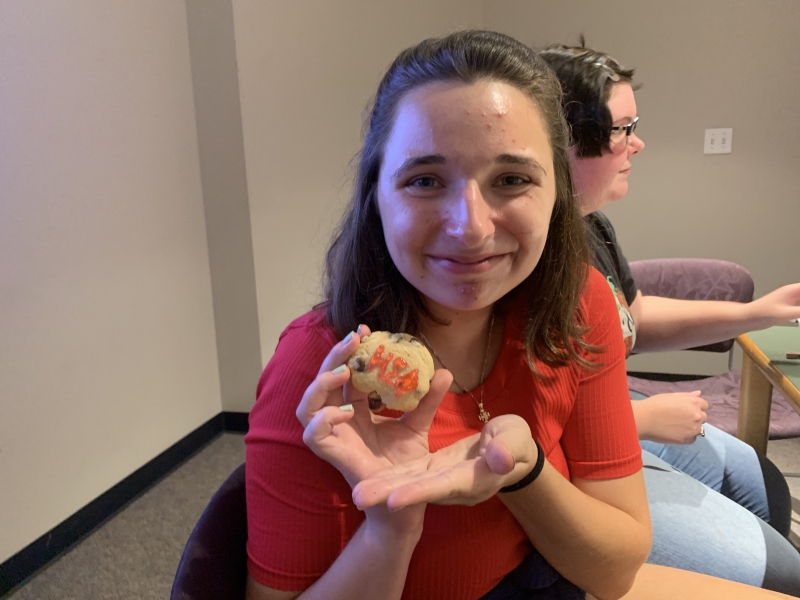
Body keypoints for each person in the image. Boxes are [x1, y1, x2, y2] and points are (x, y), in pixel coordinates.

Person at [244, 30, 796, 600]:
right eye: (425, 181)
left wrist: (524, 471)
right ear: (376, 194)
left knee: (766, 502)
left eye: (511, 180)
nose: (472, 227)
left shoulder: (577, 304)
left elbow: (611, 573)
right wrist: (391, 525)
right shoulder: (319, 366)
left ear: (558, 191)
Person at [541, 42, 800, 595]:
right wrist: (642, 421)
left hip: (615, 410)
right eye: (621, 128)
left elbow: (633, 319)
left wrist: (756, 313)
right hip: (573, 453)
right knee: (785, 574)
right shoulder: (529, 258)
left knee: (766, 485)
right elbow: (512, 422)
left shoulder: (590, 228)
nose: (638, 142)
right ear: (562, 138)